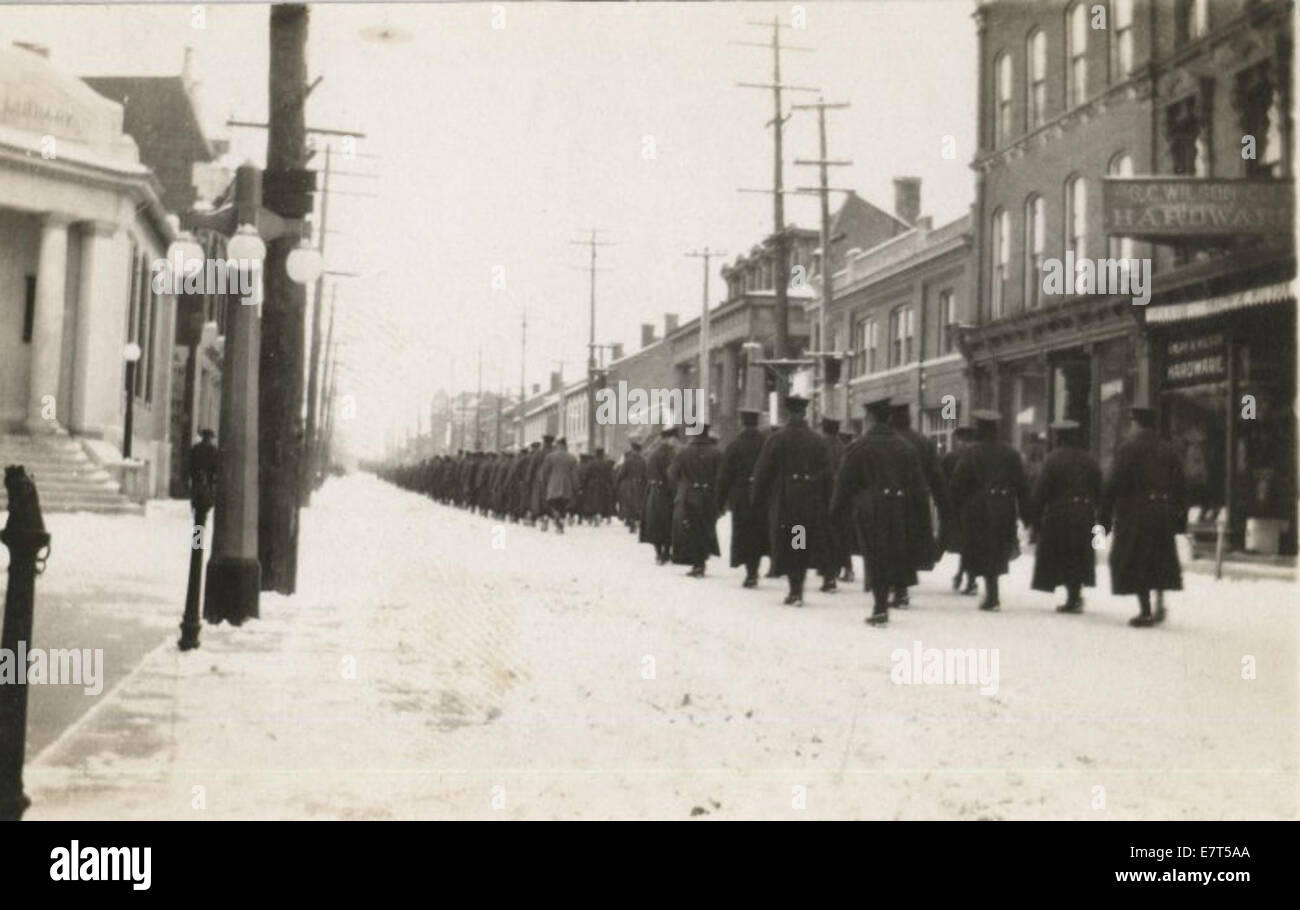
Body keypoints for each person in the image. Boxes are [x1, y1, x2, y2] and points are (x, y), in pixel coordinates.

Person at [830, 398, 928, 626]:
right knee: (895, 552)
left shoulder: (859, 447)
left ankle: (880, 606)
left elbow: (845, 483)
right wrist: (922, 519)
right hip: (900, 507)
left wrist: (836, 512)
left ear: (870, 419)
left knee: (875, 556)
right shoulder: (906, 448)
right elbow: (918, 486)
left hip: (870, 509)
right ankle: (896, 594)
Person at [1099, 404, 1187, 627]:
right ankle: (1159, 602)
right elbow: (1182, 486)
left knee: (1137, 559)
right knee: (1160, 558)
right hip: (1163, 511)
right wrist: (1179, 520)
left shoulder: (1128, 449)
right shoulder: (1169, 449)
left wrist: (1104, 519)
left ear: (1136, 423)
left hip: (1135, 513)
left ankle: (1145, 610)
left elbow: (1113, 484)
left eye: (1131, 422)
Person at [751, 395, 833, 607]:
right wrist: (827, 501)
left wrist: (756, 498)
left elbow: (763, 471)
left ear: (788, 413)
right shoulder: (817, 440)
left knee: (788, 542)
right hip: (808, 499)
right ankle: (797, 587)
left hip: (784, 500)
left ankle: (795, 589)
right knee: (800, 542)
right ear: (804, 413)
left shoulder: (777, 438)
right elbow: (827, 474)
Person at [950, 410, 1030, 612]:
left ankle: (991, 595)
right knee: (997, 549)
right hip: (1004, 507)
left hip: (979, 508)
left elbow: (958, 483)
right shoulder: (1011, 453)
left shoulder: (971, 452)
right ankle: (991, 594)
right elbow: (1022, 485)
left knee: (982, 549)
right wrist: (1027, 515)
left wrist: (956, 507)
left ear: (980, 430)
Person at [1027, 419, 1102, 613]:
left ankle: (1072, 598)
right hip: (1085, 512)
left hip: (1059, 513)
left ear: (1059, 437)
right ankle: (1075, 595)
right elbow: (1100, 489)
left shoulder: (1053, 459)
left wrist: (1034, 518)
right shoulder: (1090, 459)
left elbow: (1041, 490)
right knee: (1079, 554)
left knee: (1063, 553)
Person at [888, 402, 951, 607]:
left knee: (891, 543)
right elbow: (936, 477)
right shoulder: (923, 442)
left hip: (888, 500)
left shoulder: (886, 441)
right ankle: (902, 588)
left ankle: (895, 587)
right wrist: (944, 507)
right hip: (916, 501)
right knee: (908, 541)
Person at [716, 408, 769, 587]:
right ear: (757, 423)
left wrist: (719, 502)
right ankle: (757, 567)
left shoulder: (734, 446)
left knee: (744, 533)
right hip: (763, 496)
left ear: (742, 423)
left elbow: (725, 476)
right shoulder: (766, 443)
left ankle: (750, 573)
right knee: (760, 533)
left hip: (741, 497)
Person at [668, 425, 722, 577]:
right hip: (709, 496)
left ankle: (697, 563)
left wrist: (682, 485)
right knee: (706, 527)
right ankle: (702, 560)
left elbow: (672, 473)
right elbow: (721, 477)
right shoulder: (716, 453)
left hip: (689, 495)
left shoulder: (683, 452)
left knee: (692, 528)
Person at [941, 426, 978, 595]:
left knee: (965, 543)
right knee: (970, 543)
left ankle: (965, 577)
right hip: (978, 506)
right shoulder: (979, 455)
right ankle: (966, 577)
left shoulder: (951, 457)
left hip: (959, 506)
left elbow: (942, 479)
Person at [818, 417, 850, 593]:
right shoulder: (844, 448)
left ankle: (829, 576)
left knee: (823, 538)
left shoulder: (820, 446)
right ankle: (840, 569)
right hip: (842, 499)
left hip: (823, 498)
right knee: (839, 536)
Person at [640, 425, 679, 563]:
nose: (676, 442)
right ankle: (666, 552)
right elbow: (673, 475)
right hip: (668, 493)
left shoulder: (652, 453)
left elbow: (647, 473)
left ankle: (658, 553)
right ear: (669, 439)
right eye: (674, 439)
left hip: (653, 492)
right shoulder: (671, 454)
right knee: (668, 523)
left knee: (655, 522)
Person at [538, 437, 579, 534]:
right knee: (563, 506)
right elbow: (575, 475)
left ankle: (556, 517)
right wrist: (576, 487)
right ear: (565, 446)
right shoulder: (572, 458)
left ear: (557, 445)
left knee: (552, 505)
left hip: (553, 485)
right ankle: (560, 521)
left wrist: (543, 483)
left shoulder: (550, 457)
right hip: (566, 487)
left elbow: (544, 473)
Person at [615, 439, 648, 534]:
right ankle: (637, 521)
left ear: (633, 449)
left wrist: (617, 483)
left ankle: (631, 522)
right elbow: (646, 474)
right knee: (639, 504)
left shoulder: (628, 460)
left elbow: (622, 473)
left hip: (629, 485)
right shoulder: (643, 461)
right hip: (640, 485)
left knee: (629, 504)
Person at [529, 435, 555, 529]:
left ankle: (537, 519)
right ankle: (548, 517)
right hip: (552, 479)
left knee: (538, 500)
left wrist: (529, 479)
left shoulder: (539, 453)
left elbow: (532, 467)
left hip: (539, 479)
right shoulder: (555, 452)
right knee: (551, 500)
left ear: (544, 442)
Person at [189, 429, 218, 513]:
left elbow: (190, 464)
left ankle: (199, 525)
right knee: (203, 510)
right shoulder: (213, 449)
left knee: (198, 512)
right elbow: (216, 466)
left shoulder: (195, 448)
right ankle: (200, 524)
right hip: (208, 482)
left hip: (197, 480)